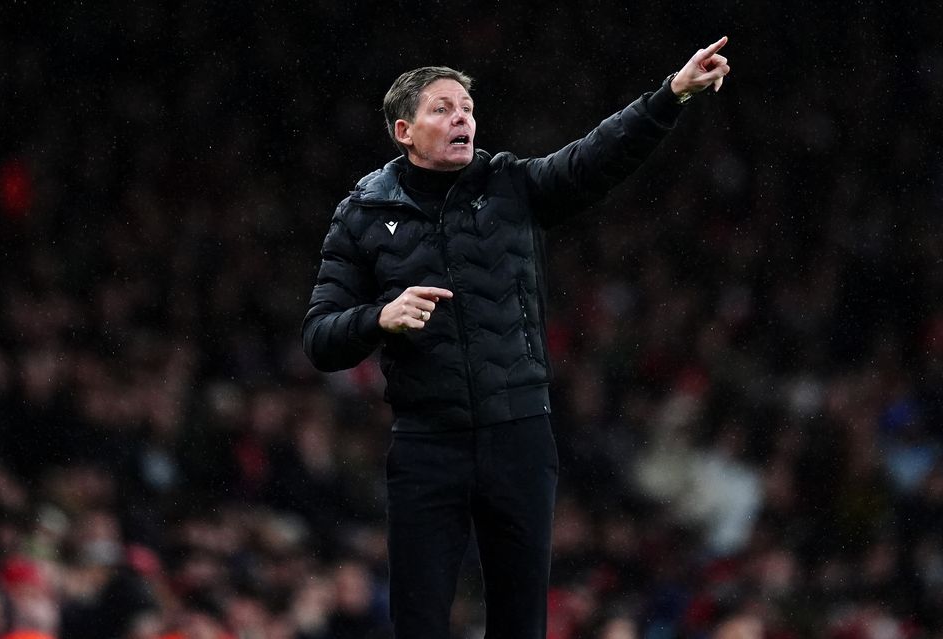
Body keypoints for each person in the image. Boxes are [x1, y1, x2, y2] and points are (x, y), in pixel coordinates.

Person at [302, 38, 731, 639]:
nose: (462, 119)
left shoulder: (510, 185)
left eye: (468, 109)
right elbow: (319, 339)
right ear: (404, 130)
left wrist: (671, 93)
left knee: (521, 619)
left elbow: (596, 157)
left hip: (520, 436)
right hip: (428, 443)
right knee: (418, 619)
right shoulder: (362, 213)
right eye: (444, 108)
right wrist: (377, 318)